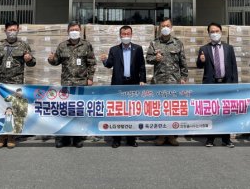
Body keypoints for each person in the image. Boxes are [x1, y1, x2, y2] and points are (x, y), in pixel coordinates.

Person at [0, 20, 36, 149]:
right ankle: (1, 136)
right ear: (5, 30)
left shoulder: (23, 45)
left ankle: (11, 137)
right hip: (1, 84)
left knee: (14, 110)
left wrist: (29, 59)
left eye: (15, 30)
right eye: (10, 30)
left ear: (18, 30)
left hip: (16, 83)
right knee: (1, 109)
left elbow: (32, 63)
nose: (12, 32)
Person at [48, 21, 96, 148]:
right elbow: (56, 62)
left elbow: (92, 62)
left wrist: (90, 78)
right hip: (67, 84)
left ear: (79, 31)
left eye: (76, 29)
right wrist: (51, 59)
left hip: (81, 83)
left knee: (78, 112)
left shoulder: (86, 45)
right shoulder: (62, 46)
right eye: (72, 29)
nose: (74, 31)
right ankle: (64, 138)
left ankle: (77, 138)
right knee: (65, 111)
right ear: (68, 31)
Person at [100, 25, 146, 148]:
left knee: (131, 112)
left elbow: (142, 66)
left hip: (133, 83)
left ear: (131, 34)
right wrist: (104, 60)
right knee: (118, 112)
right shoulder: (114, 50)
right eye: (123, 34)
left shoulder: (138, 49)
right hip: (118, 84)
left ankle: (131, 139)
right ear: (120, 35)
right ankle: (116, 139)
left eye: (128, 34)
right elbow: (109, 64)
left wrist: (142, 80)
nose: (126, 36)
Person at [146, 17, 188, 146]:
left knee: (171, 110)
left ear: (171, 28)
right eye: (163, 26)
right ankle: (161, 135)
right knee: (160, 109)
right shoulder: (154, 43)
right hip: (158, 81)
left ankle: (171, 136)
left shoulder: (178, 43)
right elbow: (148, 58)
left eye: (167, 25)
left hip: (173, 81)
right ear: (159, 28)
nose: (165, 28)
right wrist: (155, 58)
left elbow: (183, 62)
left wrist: (184, 78)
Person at [196, 22, 238, 148]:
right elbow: (199, 65)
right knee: (212, 112)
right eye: (212, 32)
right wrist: (201, 60)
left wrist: (235, 85)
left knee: (226, 112)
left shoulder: (229, 48)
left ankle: (226, 139)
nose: (214, 33)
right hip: (211, 84)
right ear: (209, 34)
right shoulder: (204, 49)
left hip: (226, 83)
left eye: (216, 31)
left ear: (221, 32)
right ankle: (210, 139)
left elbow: (233, 67)